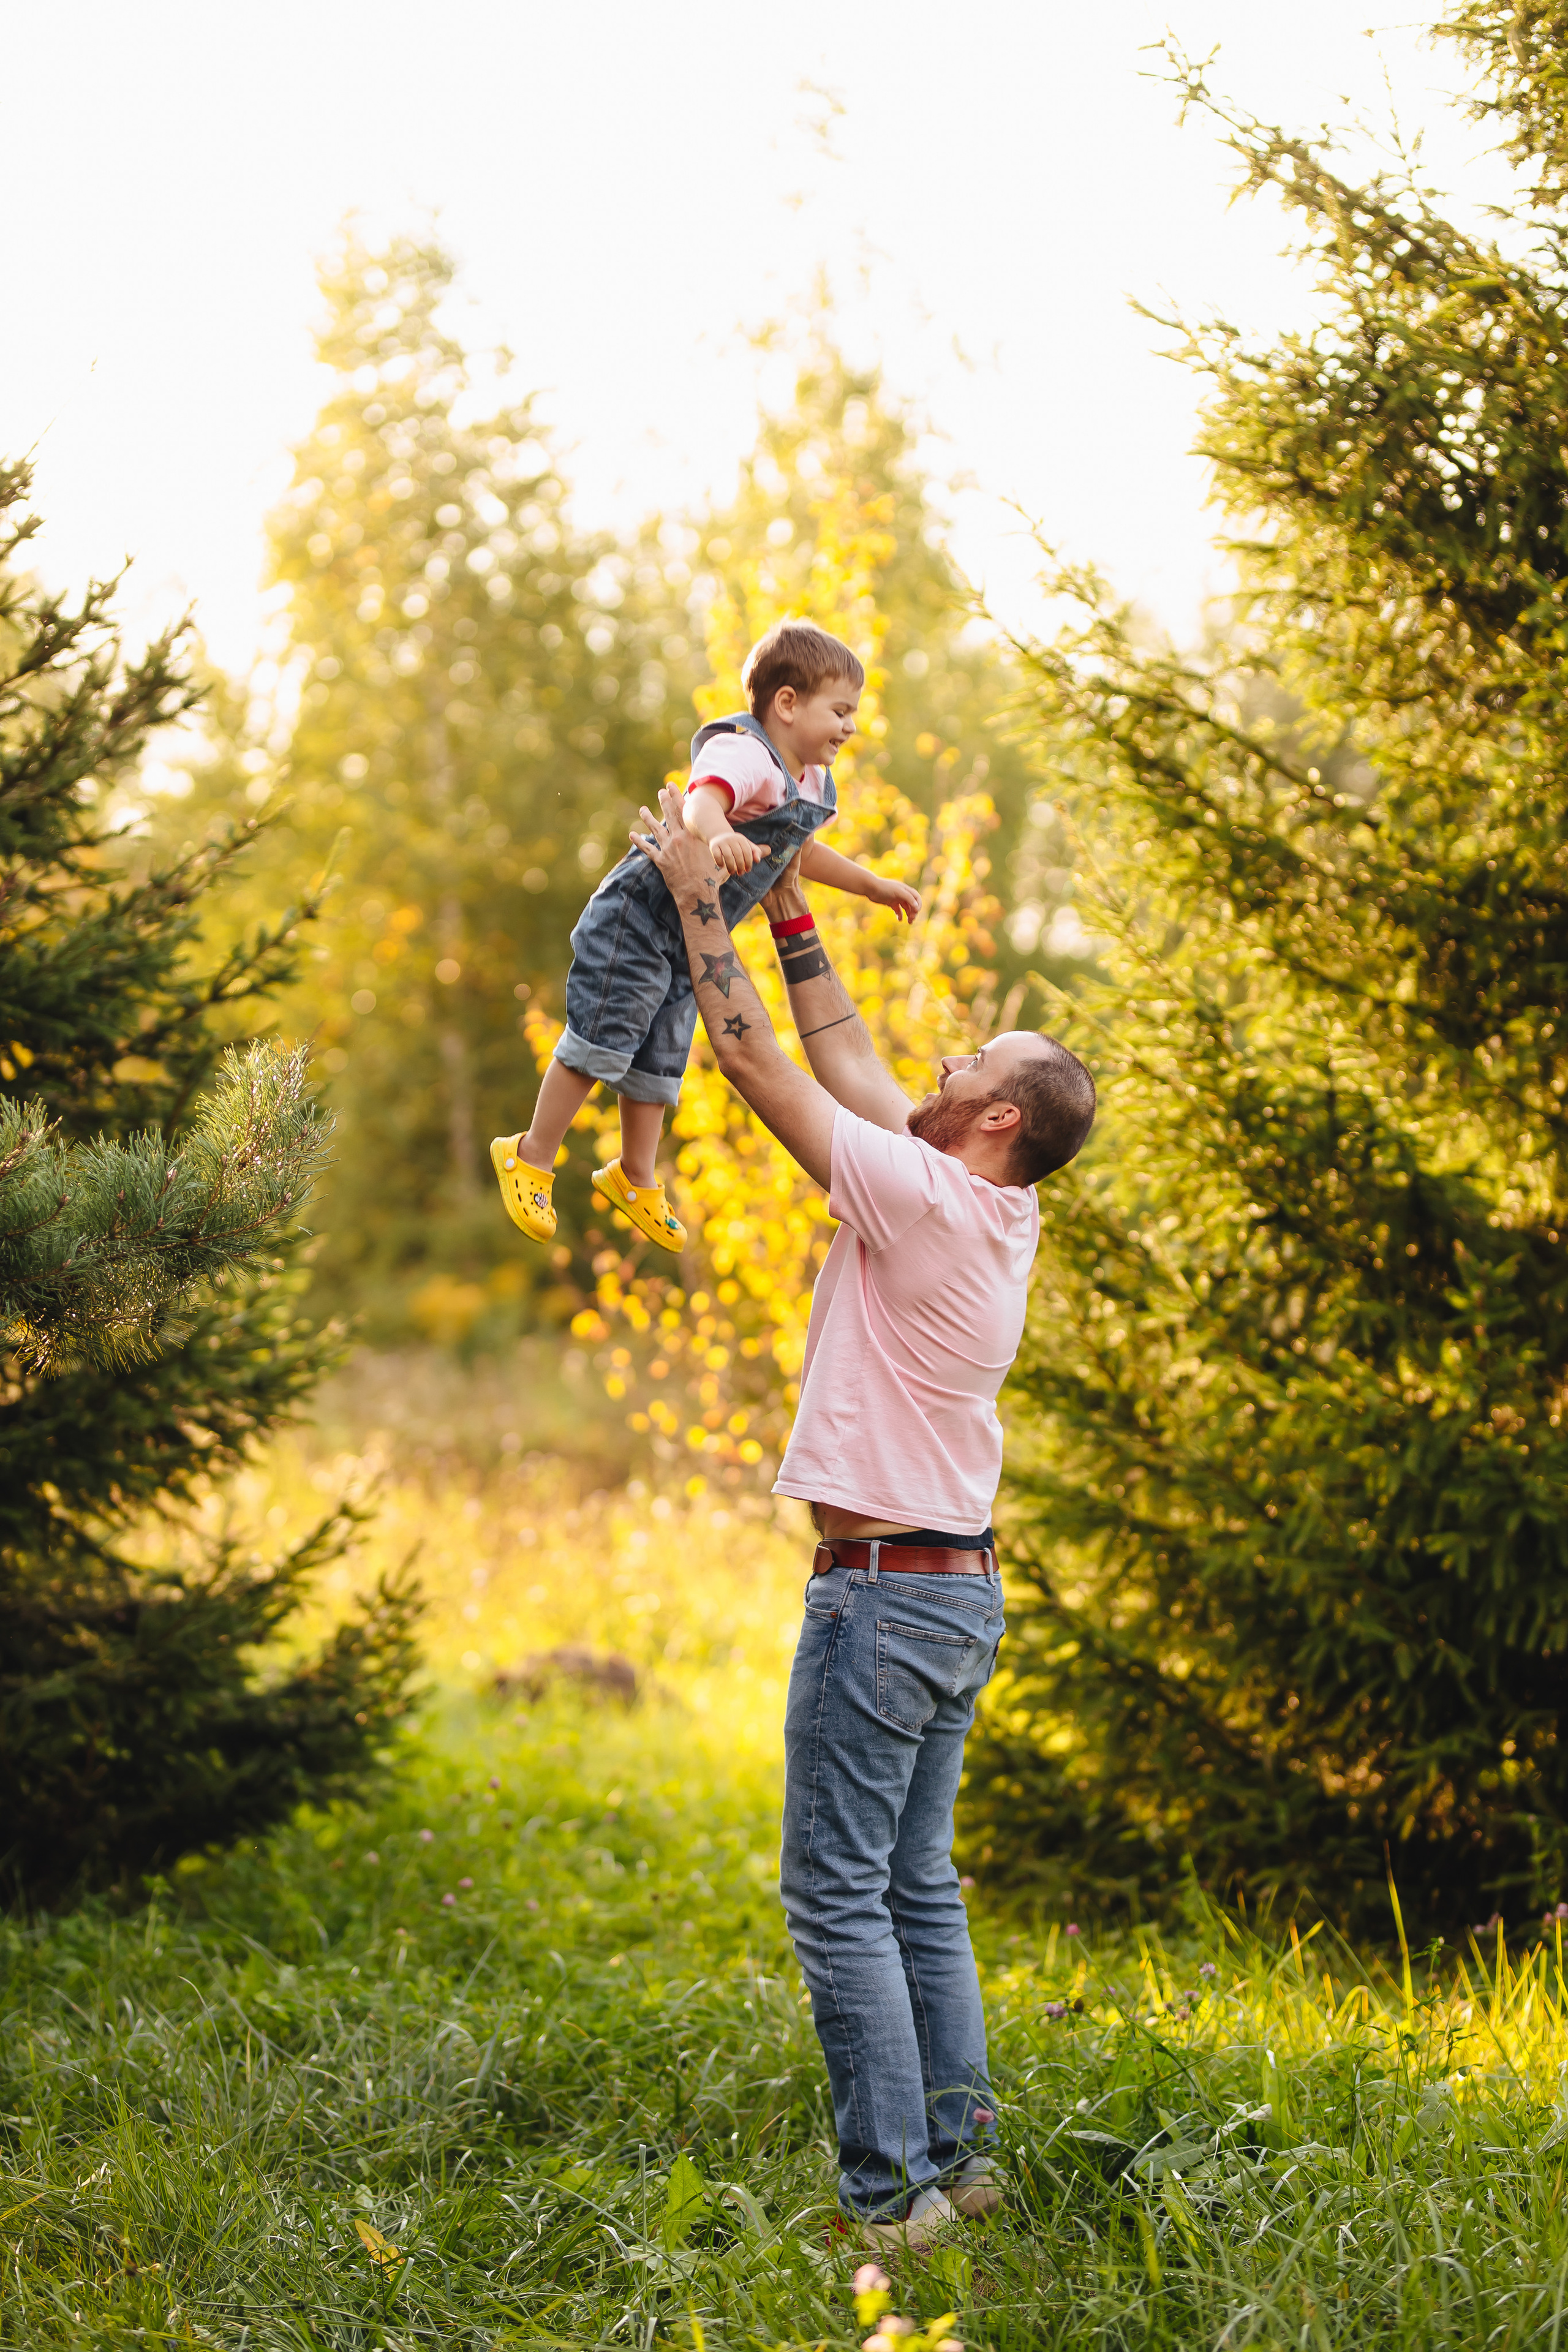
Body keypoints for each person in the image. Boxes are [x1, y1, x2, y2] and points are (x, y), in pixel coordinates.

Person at [628, 784, 1096, 2250]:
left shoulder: (922, 1198)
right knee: (914, 1886)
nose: (938, 1060)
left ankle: (889, 2202)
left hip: (884, 1595)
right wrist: (780, 896)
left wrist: (690, 891)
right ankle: (962, 2166)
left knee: (834, 1896)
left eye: (969, 1062)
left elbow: (761, 1056)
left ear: (996, 1116)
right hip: (952, 1589)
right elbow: (839, 1043)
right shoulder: (976, 1200)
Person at [489, 619, 919, 1253]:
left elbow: (796, 854)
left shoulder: (806, 784)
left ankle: (635, 1177)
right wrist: (717, 834)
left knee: (660, 1058)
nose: (850, 726)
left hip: (686, 935)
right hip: (637, 919)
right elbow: (699, 804)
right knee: (603, 1039)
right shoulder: (746, 752)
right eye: (841, 710)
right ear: (788, 703)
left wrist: (871, 885)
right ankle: (530, 1154)